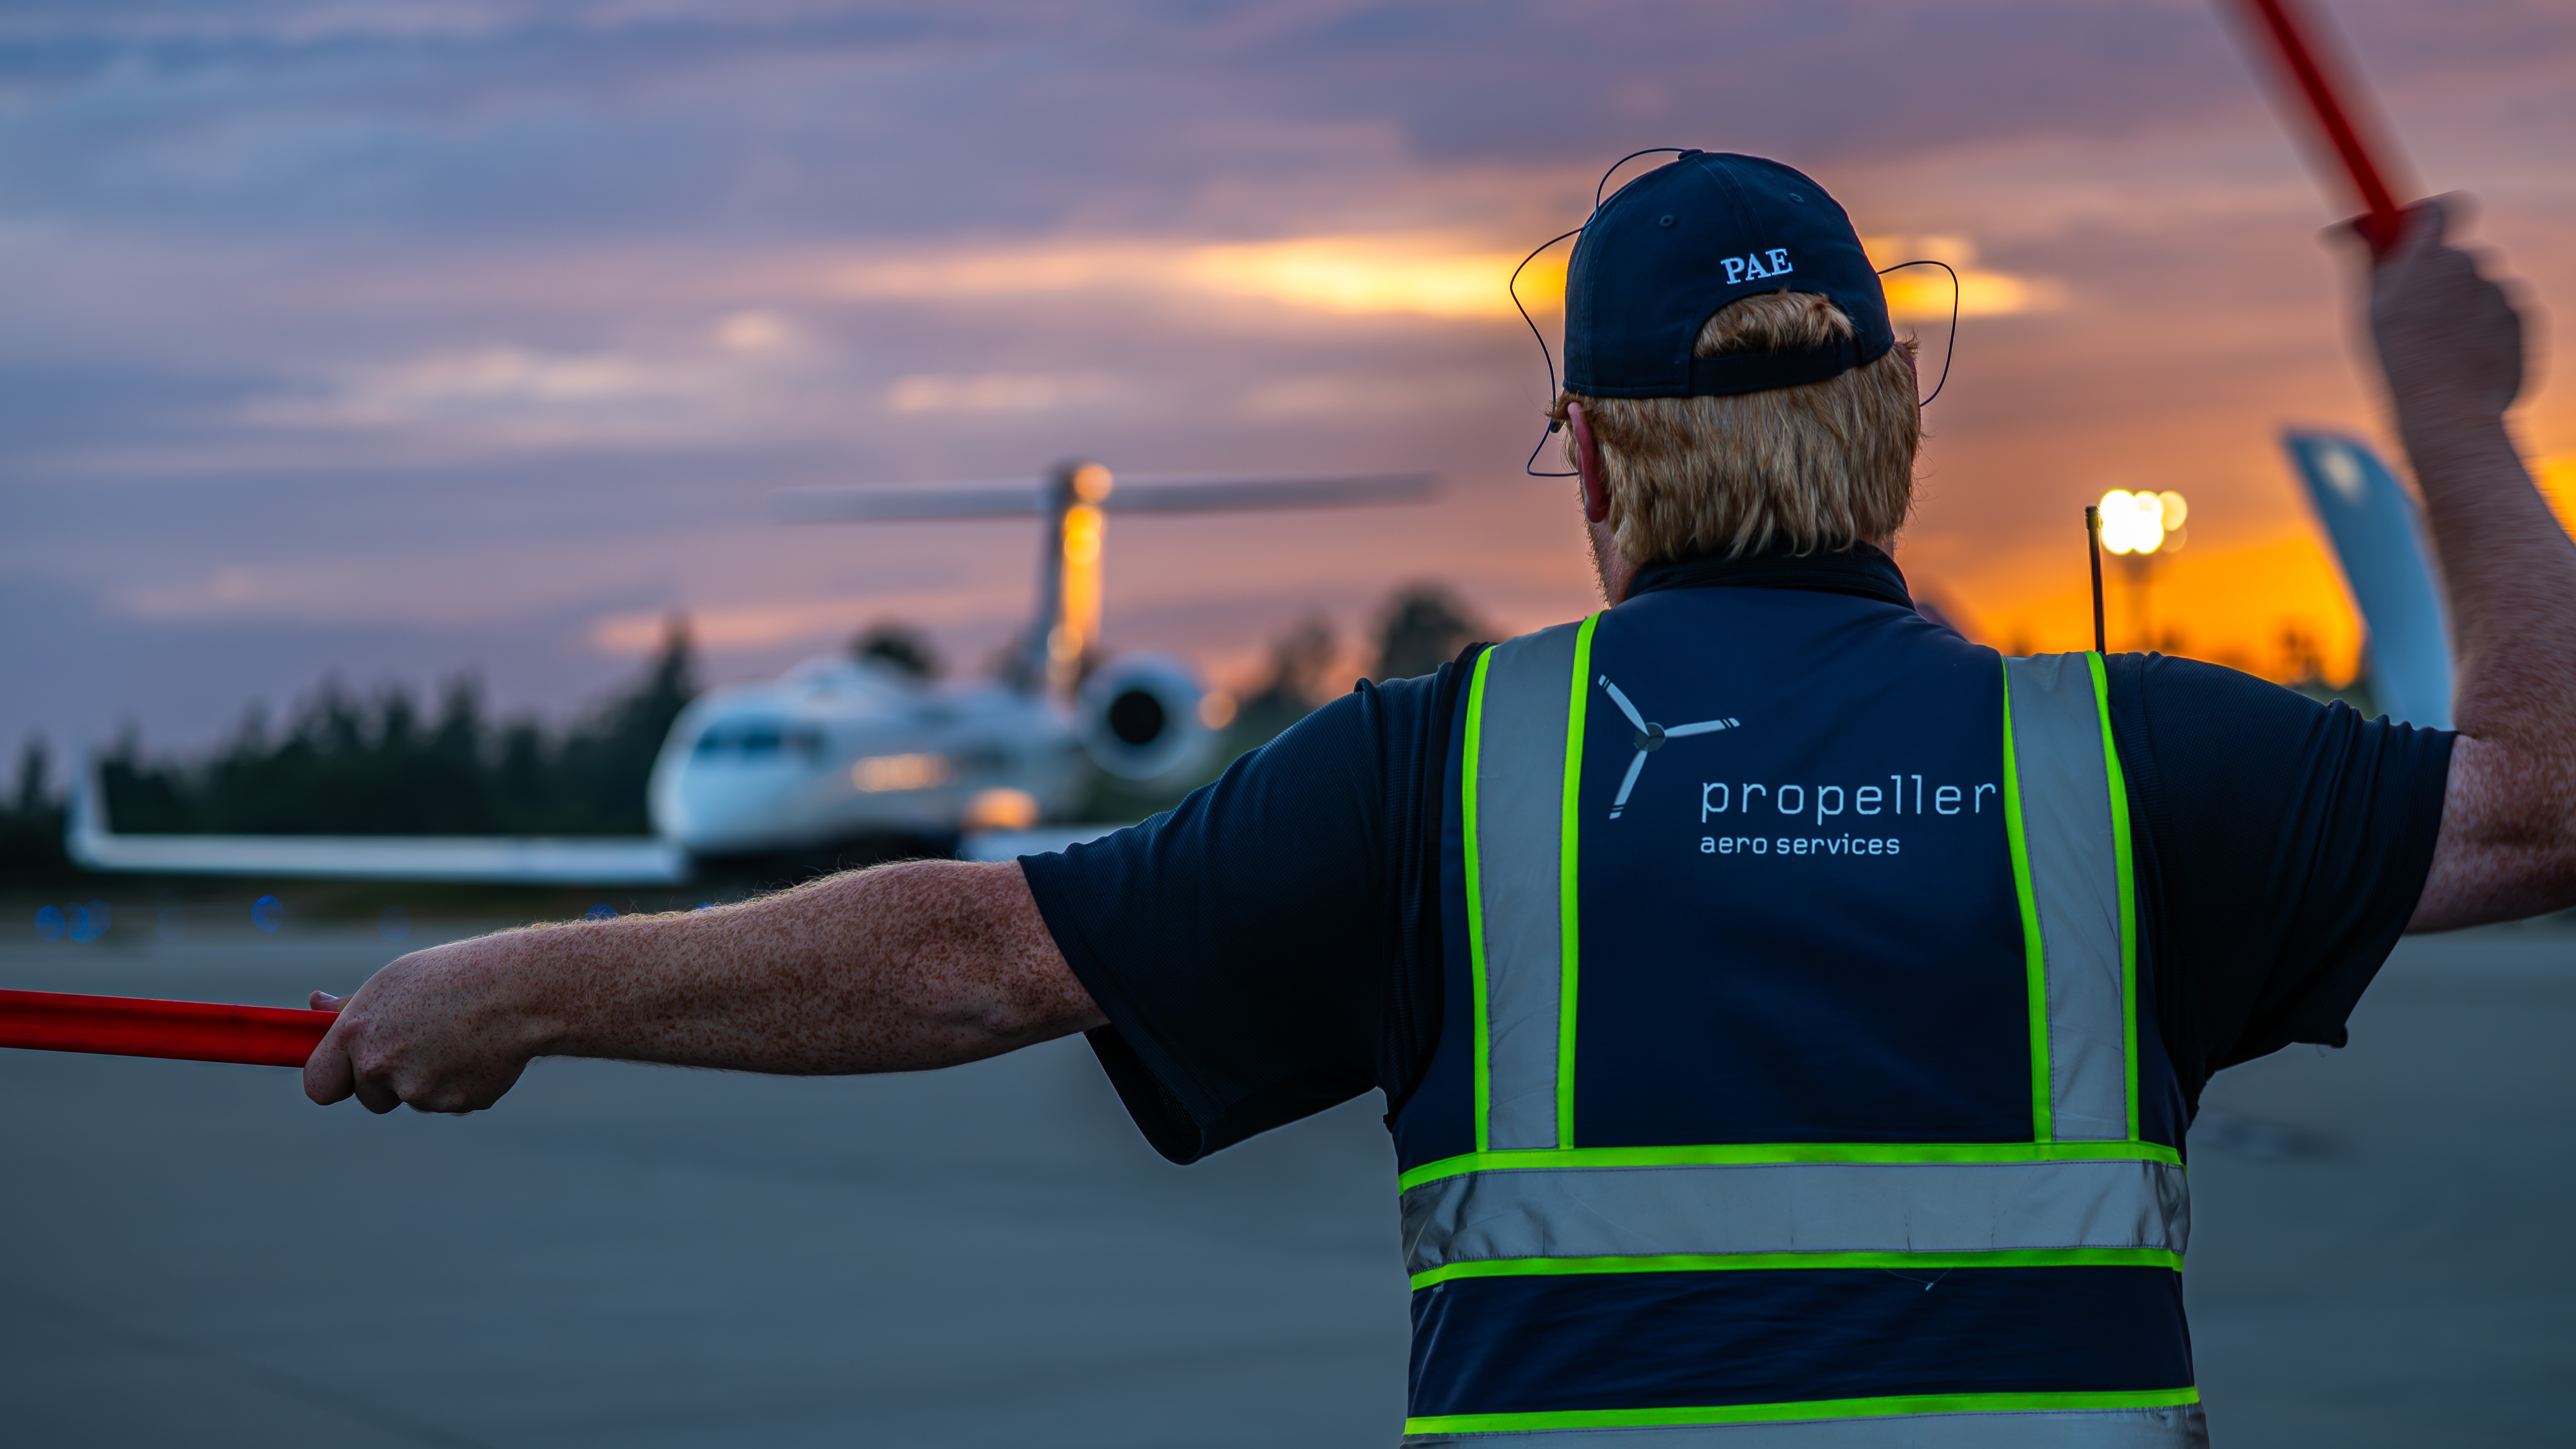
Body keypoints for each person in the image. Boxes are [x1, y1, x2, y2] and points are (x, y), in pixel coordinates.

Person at [305, 152, 2569, 1446]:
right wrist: (2448, 405)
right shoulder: (2112, 757)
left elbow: (975, 955)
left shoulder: (1436, 774)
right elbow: (2543, 800)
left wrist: (521, 985)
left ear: (1586, 455)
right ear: (1893, 420)